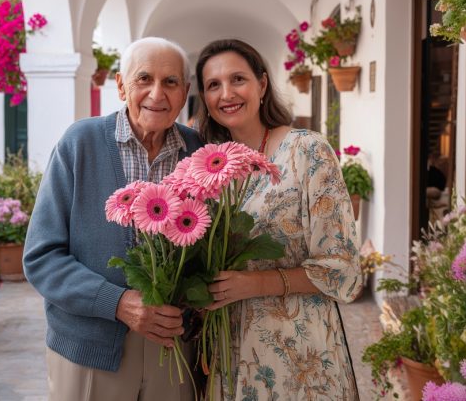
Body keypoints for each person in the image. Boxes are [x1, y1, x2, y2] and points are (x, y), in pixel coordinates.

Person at [24, 37, 203, 401]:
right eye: (144, 79)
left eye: (170, 82)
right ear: (121, 85)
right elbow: (41, 257)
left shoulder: (197, 151)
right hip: (91, 350)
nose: (157, 93)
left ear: (185, 92)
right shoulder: (80, 143)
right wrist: (117, 303)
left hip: (172, 349)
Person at [195, 39, 362, 400]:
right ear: (205, 99)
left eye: (238, 79)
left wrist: (253, 284)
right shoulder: (208, 169)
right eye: (213, 85)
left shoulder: (307, 151)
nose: (226, 94)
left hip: (299, 354)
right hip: (231, 352)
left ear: (262, 84)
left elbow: (343, 269)